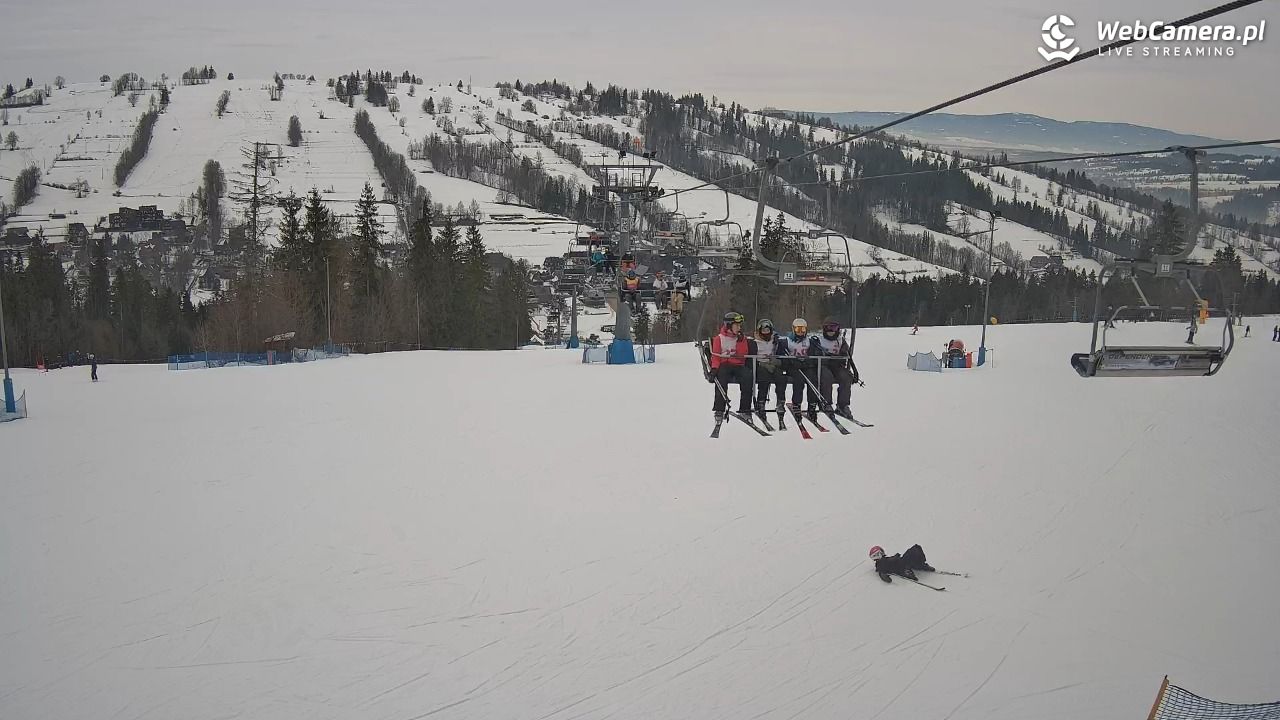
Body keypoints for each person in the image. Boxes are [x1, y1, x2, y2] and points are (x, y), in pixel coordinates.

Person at [810, 320, 859, 419]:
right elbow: (815, 354)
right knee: (826, 377)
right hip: (824, 365)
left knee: (846, 377)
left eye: (834, 328)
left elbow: (846, 354)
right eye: (828, 328)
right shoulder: (819, 340)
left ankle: (842, 405)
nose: (831, 331)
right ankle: (826, 403)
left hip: (837, 366)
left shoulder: (840, 341)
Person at [710, 312, 752, 416]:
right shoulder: (719, 339)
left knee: (747, 376)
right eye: (736, 325)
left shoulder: (741, 338)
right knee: (721, 378)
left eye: (739, 325)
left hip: (737, 364)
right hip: (724, 364)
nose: (739, 328)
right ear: (729, 325)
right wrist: (714, 368)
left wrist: (741, 341)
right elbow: (716, 356)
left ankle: (745, 409)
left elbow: (743, 354)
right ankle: (719, 409)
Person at [776, 318, 818, 419]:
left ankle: (812, 405)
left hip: (805, 366)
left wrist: (807, 362)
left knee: (813, 378)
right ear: (793, 329)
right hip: (793, 367)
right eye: (798, 329)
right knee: (798, 380)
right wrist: (790, 362)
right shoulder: (788, 341)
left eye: (802, 329)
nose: (800, 332)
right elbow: (781, 355)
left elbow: (813, 355)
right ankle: (797, 404)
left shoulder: (809, 341)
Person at [748, 319, 787, 414]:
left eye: (768, 330)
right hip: (760, 365)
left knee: (781, 377)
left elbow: (780, 352)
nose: (766, 333)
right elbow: (750, 357)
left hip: (772, 364)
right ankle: (761, 401)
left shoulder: (774, 341)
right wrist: (761, 363)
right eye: (763, 331)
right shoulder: (755, 342)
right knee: (764, 378)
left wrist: (776, 361)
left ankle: (780, 401)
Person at [870, 544, 934, 583]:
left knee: (917, 548)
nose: (882, 552)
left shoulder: (883, 559)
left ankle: (921, 564)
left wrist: (895, 557)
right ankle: (907, 571)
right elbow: (881, 572)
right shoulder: (879, 564)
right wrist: (886, 578)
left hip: (902, 562)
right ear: (877, 555)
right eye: (881, 552)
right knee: (913, 551)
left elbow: (890, 560)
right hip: (901, 567)